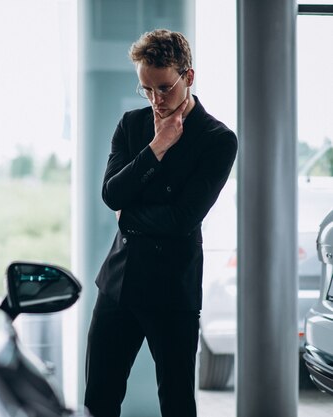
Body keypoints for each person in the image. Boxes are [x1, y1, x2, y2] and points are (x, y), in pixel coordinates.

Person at [83, 29, 237, 417]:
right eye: (146, 90)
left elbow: (183, 219)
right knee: (99, 398)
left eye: (164, 88)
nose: (156, 100)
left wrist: (131, 217)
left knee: (177, 404)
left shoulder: (218, 139)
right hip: (118, 284)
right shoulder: (132, 125)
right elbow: (112, 195)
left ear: (188, 77)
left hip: (172, 291)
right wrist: (158, 147)